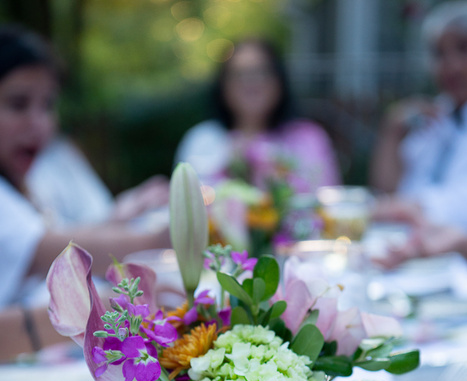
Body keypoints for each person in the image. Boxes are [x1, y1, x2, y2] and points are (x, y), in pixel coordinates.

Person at [0, 24, 171, 314]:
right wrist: (175, 233)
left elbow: (63, 239)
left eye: (48, 105)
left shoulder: (27, 182)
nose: (39, 123)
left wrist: (125, 212)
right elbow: (60, 253)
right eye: (18, 104)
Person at [175, 38, 341, 193]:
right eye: (238, 74)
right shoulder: (202, 139)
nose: (250, 82)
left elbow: (326, 203)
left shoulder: (309, 137)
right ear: (222, 86)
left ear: (279, 80)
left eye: (261, 71)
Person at [370, 2, 467, 230]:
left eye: (464, 49)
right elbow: (387, 191)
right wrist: (391, 131)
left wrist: (404, 208)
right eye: (439, 54)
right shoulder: (434, 116)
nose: (451, 66)